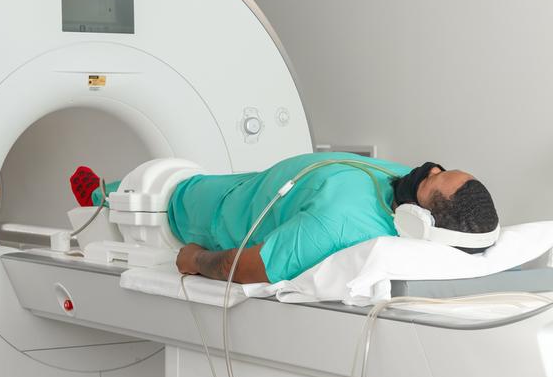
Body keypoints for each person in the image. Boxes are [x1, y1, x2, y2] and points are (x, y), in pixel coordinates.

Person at [70, 152, 499, 284]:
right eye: (440, 170)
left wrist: (193, 260)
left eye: (432, 183)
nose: (428, 171)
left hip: (213, 209)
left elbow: (251, 266)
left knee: (164, 189)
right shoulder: (400, 182)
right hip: (258, 182)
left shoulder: (338, 227)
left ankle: (101, 195)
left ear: (417, 222)